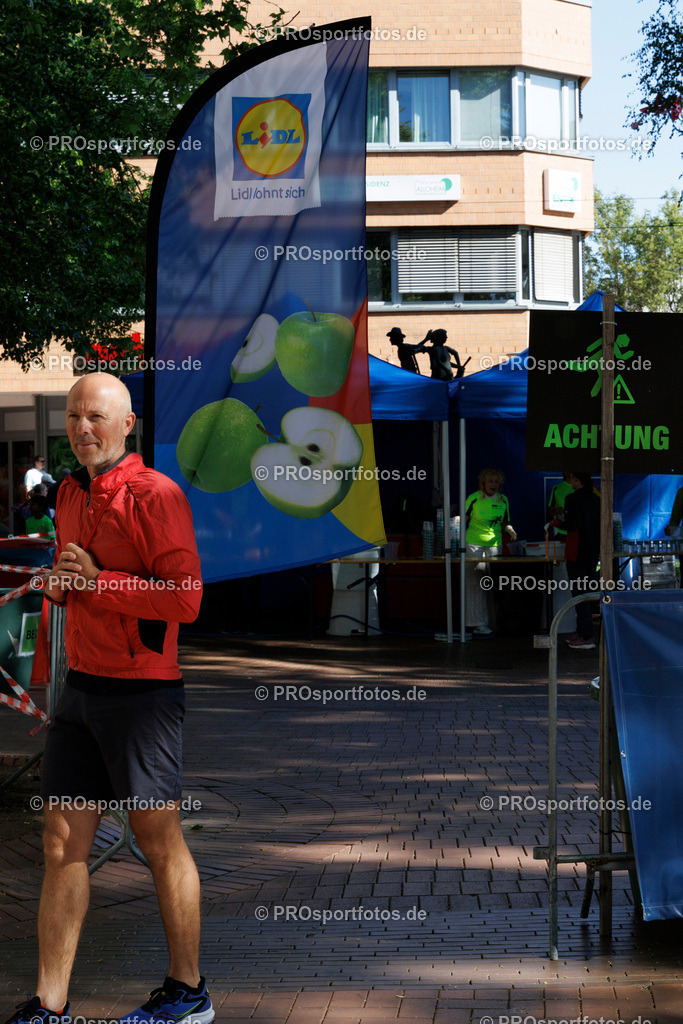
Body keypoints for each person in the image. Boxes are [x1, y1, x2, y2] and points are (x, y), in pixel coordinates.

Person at [5, 374, 211, 1024]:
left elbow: (185, 599)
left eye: (96, 416)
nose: (82, 428)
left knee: (158, 841)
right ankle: (50, 1006)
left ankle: (188, 993)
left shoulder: (157, 494)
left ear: (127, 425)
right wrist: (62, 584)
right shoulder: (70, 492)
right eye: (73, 416)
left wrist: (98, 583)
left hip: (143, 694)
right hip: (81, 688)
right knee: (61, 844)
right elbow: (76, 577)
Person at [465, 467, 516, 637]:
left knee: (491, 584)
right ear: (483, 483)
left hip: (495, 545)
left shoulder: (503, 499)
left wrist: (509, 529)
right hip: (474, 544)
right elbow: (462, 520)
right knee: (475, 584)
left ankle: (491, 622)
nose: (493, 485)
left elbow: (505, 521)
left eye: (496, 482)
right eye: (490, 481)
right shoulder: (473, 498)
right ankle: (477, 624)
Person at [562, 471, 600, 649]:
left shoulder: (571, 498)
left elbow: (570, 525)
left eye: (572, 479)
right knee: (587, 592)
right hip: (593, 552)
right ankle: (582, 630)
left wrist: (556, 522)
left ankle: (586, 636)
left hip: (577, 552)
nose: (570, 482)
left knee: (579, 594)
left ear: (576, 480)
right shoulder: (597, 499)